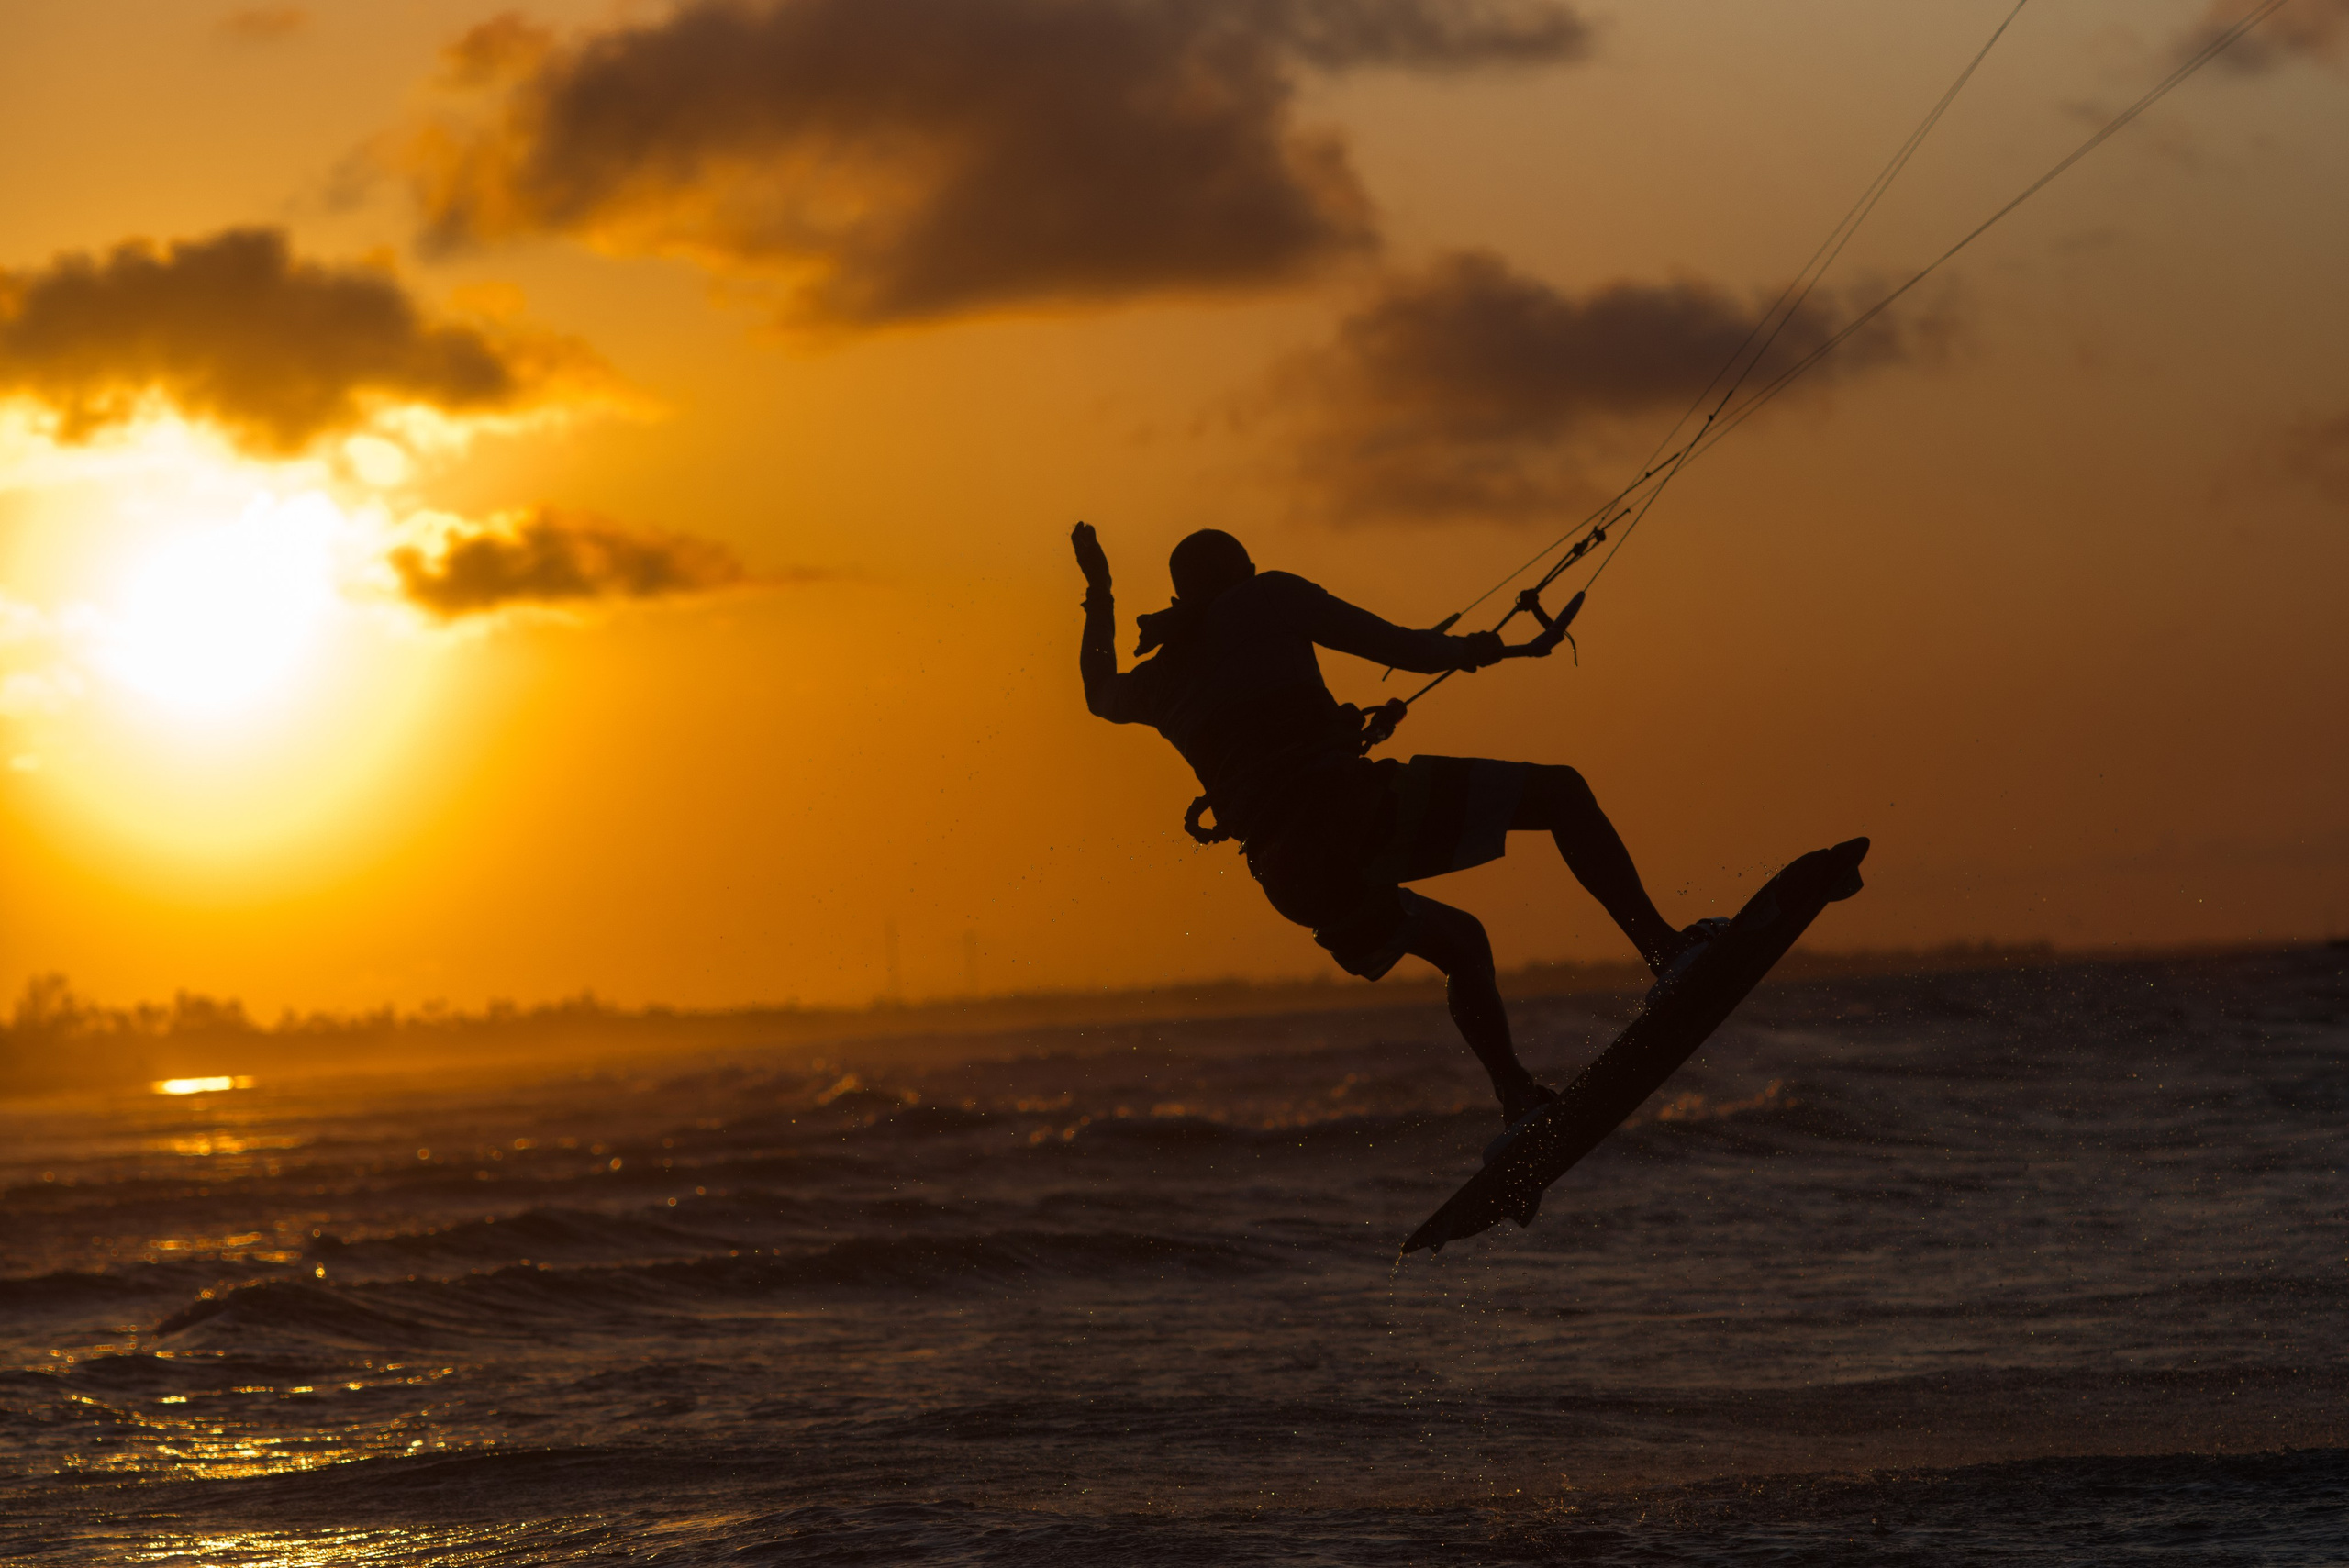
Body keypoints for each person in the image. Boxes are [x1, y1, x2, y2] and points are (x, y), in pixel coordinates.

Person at [1073, 522, 1716, 1135]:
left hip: (1294, 880)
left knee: (1463, 946)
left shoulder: (1159, 678)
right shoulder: (1269, 594)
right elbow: (1398, 646)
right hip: (1355, 819)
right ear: (1242, 571)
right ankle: (1662, 951)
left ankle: (1516, 1096)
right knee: (1563, 793)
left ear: (1183, 594)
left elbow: (1098, 689)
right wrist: (1479, 650)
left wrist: (1098, 591)